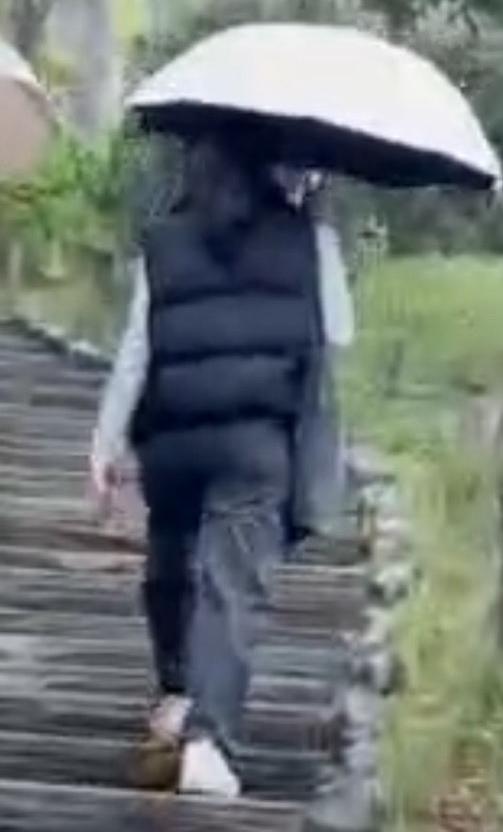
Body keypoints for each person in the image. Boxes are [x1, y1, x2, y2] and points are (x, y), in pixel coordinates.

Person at [89, 138, 353, 798]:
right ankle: (206, 741)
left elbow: (137, 347)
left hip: (171, 438)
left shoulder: (164, 240)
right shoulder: (307, 238)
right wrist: (313, 220)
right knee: (230, 584)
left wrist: (105, 442)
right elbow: (338, 334)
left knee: (171, 565)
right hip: (254, 441)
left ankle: (177, 692)